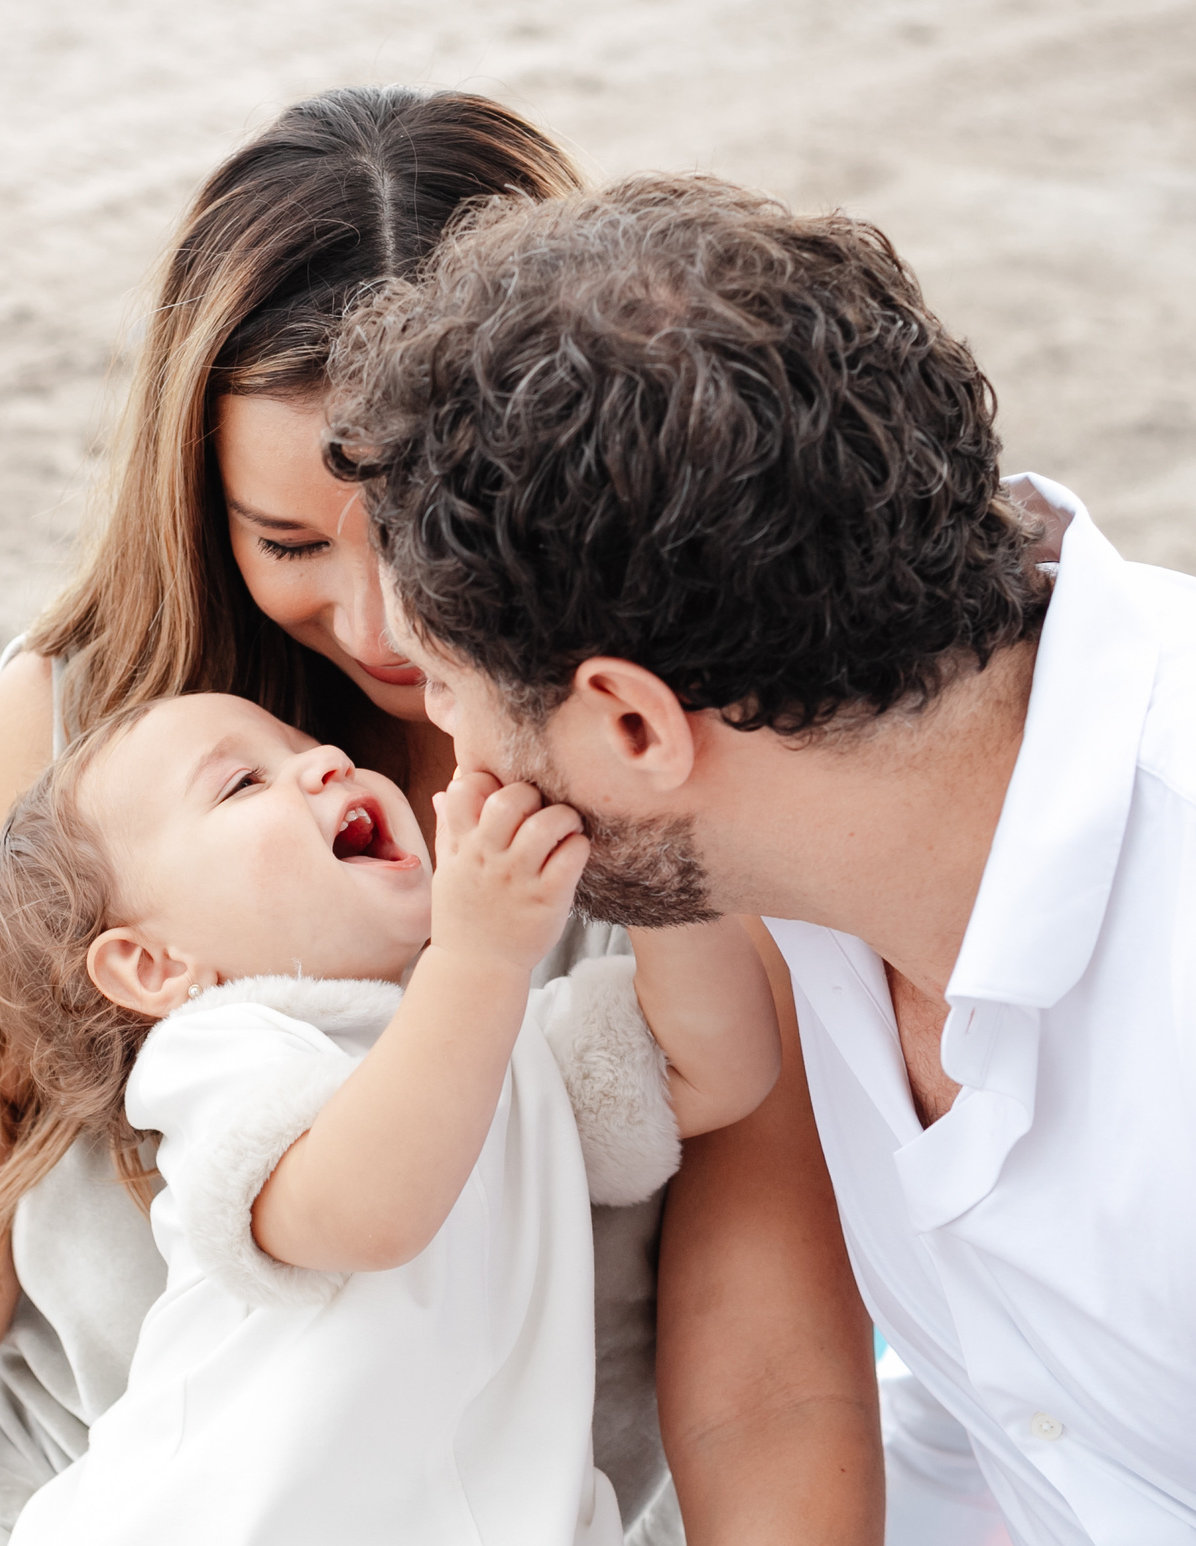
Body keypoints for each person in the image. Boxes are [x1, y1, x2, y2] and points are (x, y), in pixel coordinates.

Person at [0, 96, 880, 1546]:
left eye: (425, 534)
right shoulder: (86, 734)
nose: (385, 626)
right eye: (286, 542)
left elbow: (767, 1354)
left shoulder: (677, 735)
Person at [327, 171, 1196, 1545]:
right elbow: (1032, 1423)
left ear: (630, 722)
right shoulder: (820, 862)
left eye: (445, 685)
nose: (434, 733)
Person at [0, 690, 777, 1543]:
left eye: (307, 742)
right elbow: (366, 1212)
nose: (327, 761)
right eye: (244, 783)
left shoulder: (505, 1043)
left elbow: (718, 1067)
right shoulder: (225, 1055)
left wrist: (643, 863)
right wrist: (481, 954)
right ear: (153, 966)